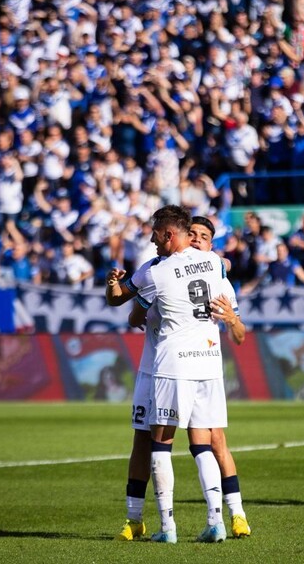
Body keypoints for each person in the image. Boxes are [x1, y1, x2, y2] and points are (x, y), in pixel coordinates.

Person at [106, 212, 250, 542]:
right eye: (195, 234)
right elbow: (223, 264)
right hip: (205, 365)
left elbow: (126, 308)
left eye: (156, 234)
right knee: (193, 442)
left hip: (169, 367)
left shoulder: (157, 271)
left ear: (171, 234)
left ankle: (168, 527)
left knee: (163, 442)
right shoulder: (214, 264)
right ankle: (215, 521)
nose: (152, 240)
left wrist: (117, 288)